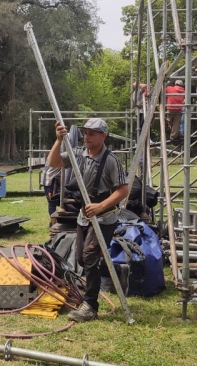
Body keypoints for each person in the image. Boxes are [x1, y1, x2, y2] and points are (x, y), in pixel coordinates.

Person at [47, 117, 129, 322]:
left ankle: (90, 305)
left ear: (103, 135)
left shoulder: (111, 160)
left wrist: (101, 206)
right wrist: (58, 140)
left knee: (90, 258)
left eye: (92, 134)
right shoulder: (77, 154)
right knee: (83, 259)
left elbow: (123, 190)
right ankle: (109, 277)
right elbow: (53, 162)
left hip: (104, 217)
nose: (87, 137)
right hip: (84, 216)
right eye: (85, 133)